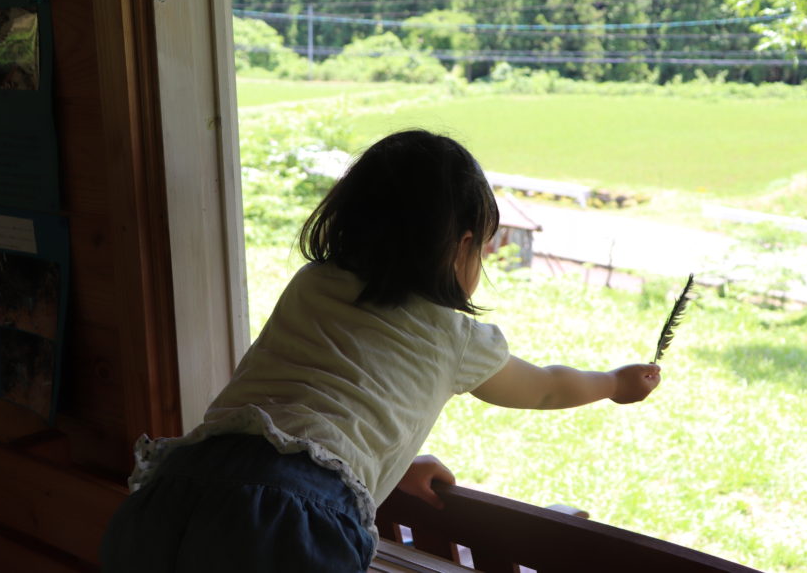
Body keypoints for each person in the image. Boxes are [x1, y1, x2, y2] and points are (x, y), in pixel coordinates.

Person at [100, 129, 661, 573]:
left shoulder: (312, 283)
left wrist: (386, 468)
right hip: (293, 519)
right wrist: (614, 383)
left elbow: (311, 406)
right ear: (462, 246)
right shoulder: (454, 336)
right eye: (484, 250)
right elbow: (545, 387)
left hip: (174, 490)